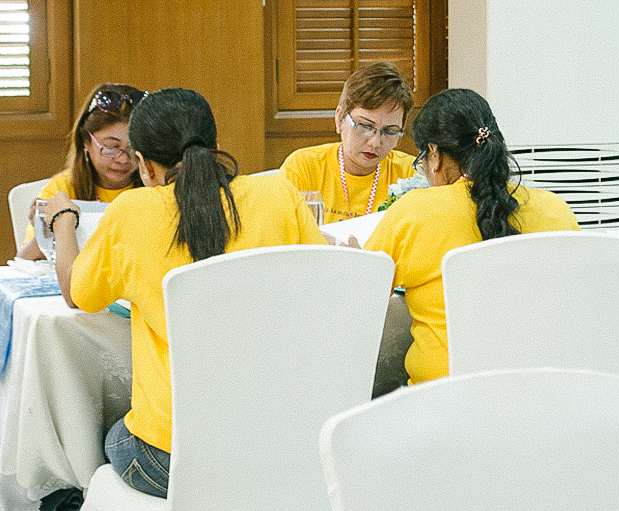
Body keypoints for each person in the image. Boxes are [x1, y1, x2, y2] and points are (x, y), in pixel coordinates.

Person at [43, 88, 325, 498]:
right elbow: (323, 280)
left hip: (174, 456)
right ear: (214, 143)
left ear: (144, 164)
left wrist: (63, 220)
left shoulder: (132, 213)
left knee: (111, 434)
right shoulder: (279, 194)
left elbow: (75, 293)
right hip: (281, 443)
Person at [364, 88, 581, 385]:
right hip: (541, 396)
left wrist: (354, 260)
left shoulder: (414, 212)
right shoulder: (556, 210)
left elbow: (360, 303)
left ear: (435, 155)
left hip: (441, 400)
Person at [16, 83, 146, 260]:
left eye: (134, 147)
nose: (123, 159)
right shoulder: (62, 190)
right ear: (86, 140)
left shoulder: (155, 187)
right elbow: (24, 259)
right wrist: (46, 231)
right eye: (110, 147)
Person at [280, 61, 416, 223]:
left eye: (390, 131)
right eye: (365, 126)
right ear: (339, 119)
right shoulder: (303, 167)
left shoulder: (412, 175)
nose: (375, 143)